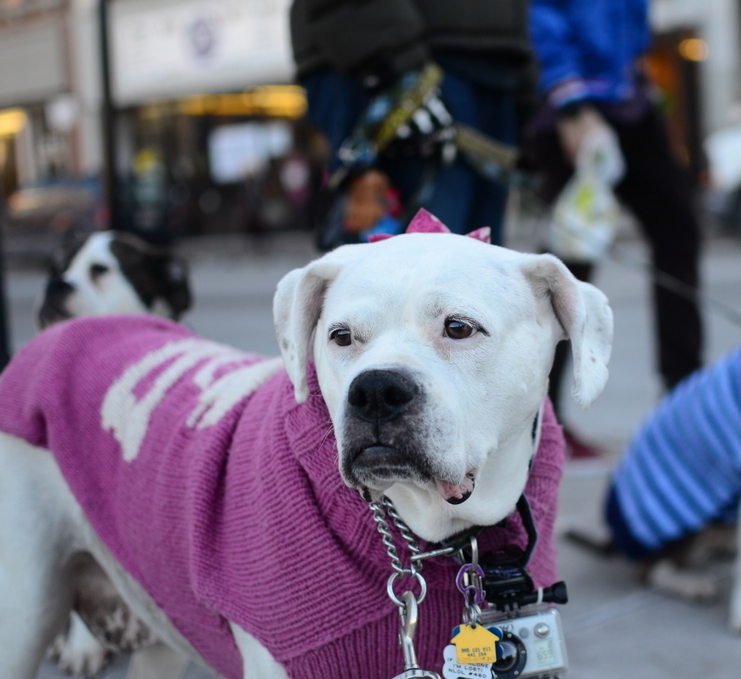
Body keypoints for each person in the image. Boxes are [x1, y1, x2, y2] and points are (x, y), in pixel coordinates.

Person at [527, 0, 705, 457]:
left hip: (629, 98)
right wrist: (570, 102)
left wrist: (638, 71)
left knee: (678, 232)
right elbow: (541, 14)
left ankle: (684, 403)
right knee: (567, 262)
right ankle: (538, 422)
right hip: (575, 104)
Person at [288, 0, 535, 246]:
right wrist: (389, 56)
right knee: (410, 259)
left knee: (474, 262)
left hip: (492, 63)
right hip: (390, 53)